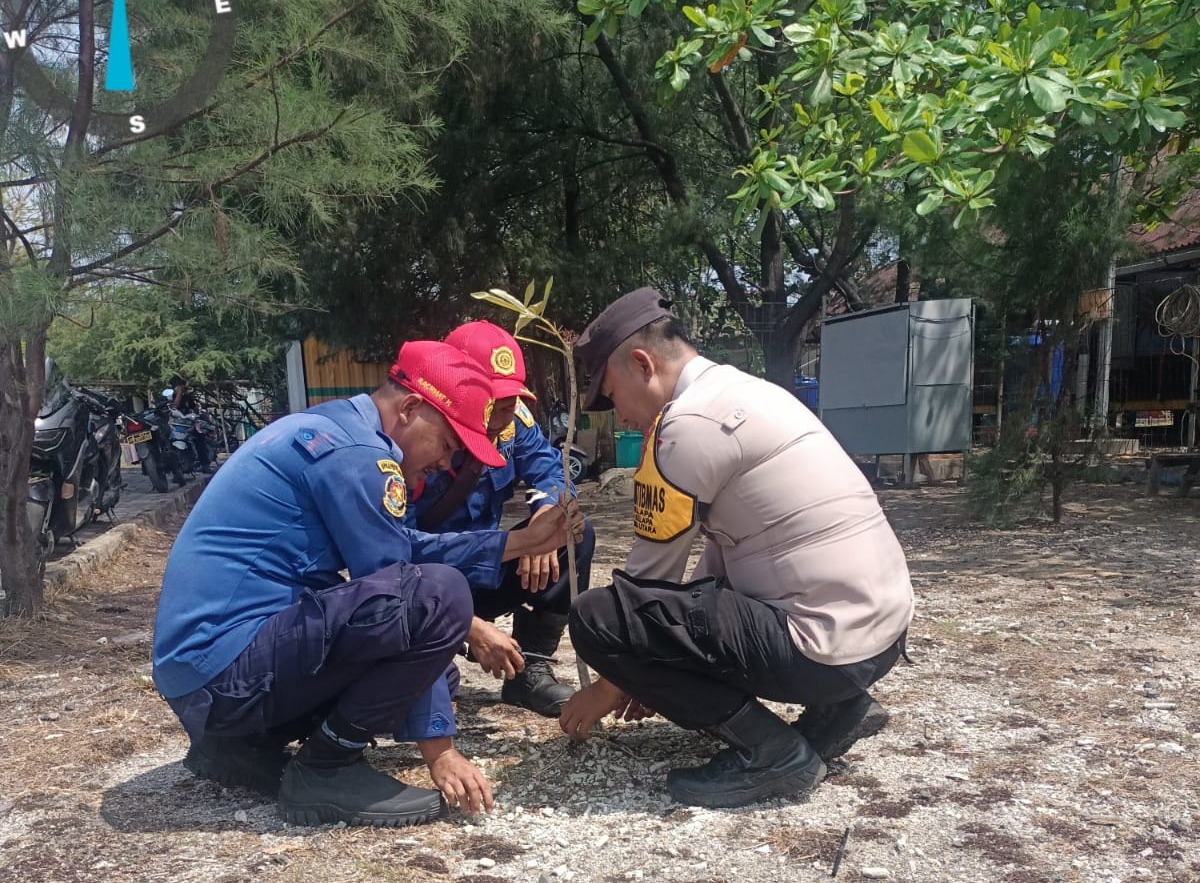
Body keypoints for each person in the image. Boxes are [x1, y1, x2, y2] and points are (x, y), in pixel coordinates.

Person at [152, 341, 584, 827]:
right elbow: (406, 584)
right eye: (447, 444)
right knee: (440, 595)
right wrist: (439, 749)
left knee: (433, 657)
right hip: (226, 670)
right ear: (412, 407)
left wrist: (519, 543)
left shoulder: (334, 428)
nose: (446, 463)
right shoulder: (359, 454)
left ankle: (239, 746)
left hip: (204, 678)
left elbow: (401, 545)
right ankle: (328, 767)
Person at [559, 287, 914, 808]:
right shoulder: (745, 391)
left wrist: (612, 683)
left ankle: (774, 754)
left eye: (611, 396)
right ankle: (839, 705)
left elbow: (642, 590)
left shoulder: (686, 427)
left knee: (598, 619)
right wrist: (657, 661)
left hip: (827, 644)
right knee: (668, 615)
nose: (620, 417)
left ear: (642, 364)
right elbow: (720, 561)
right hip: (880, 632)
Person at [407, 321, 595, 717]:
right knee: (428, 691)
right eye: (493, 399)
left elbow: (552, 470)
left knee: (575, 532)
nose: (506, 408)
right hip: (425, 583)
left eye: (511, 397)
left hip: (484, 570)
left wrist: (544, 521)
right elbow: (394, 552)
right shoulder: (417, 438)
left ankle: (529, 671)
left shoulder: (513, 422)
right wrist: (467, 624)